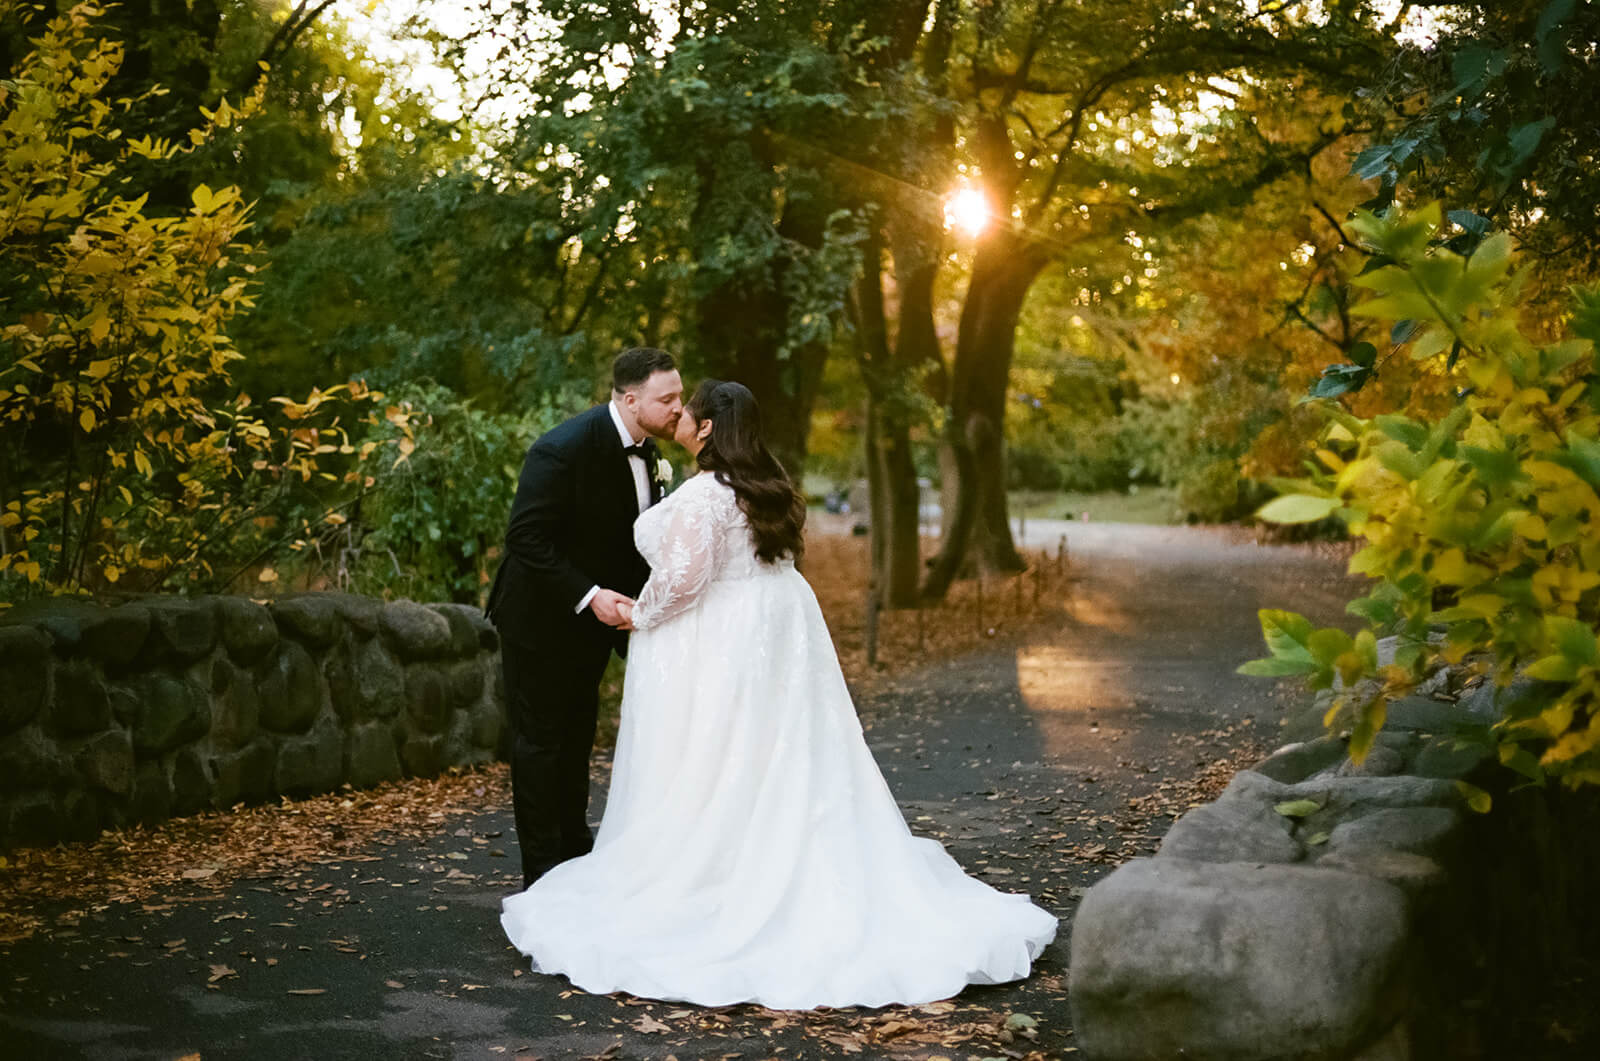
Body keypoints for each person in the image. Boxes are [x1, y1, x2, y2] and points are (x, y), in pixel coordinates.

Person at [501, 380, 1056, 1009]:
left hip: (727, 638)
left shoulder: (705, 495)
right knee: (777, 753)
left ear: (709, 430)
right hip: (775, 629)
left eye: (691, 410)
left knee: (723, 755)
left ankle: (720, 879)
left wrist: (639, 613)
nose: (680, 415)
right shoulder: (769, 485)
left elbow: (684, 581)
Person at [485, 347, 683, 887]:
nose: (677, 408)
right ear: (629, 398)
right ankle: (542, 877)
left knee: (576, 740)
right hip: (541, 621)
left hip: (596, 627)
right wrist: (590, 593)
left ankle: (574, 861)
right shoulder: (562, 449)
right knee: (540, 745)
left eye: (679, 396)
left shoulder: (651, 455)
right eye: (666, 398)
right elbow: (525, 537)